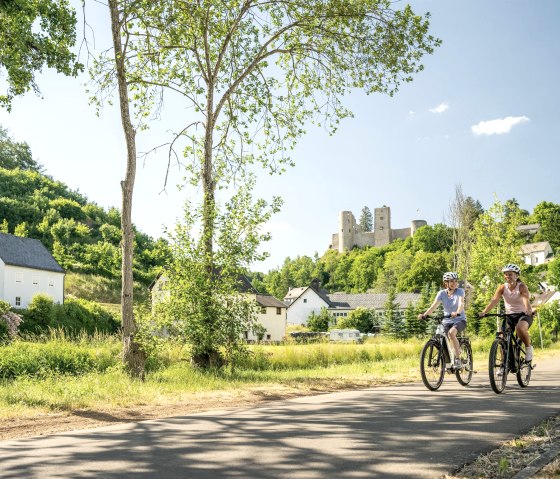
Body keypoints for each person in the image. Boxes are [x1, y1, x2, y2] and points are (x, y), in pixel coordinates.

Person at [479, 263, 534, 362]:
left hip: (523, 315)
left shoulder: (522, 287)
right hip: (509, 315)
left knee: (520, 328)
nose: (508, 276)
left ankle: (528, 348)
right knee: (502, 337)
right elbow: (494, 301)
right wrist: (484, 311)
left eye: (510, 274)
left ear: (516, 275)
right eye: (506, 274)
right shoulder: (502, 287)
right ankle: (503, 363)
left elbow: (526, 299)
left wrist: (529, 310)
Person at [418, 272, 466, 369]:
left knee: (452, 333)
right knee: (443, 338)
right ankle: (448, 361)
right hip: (446, 320)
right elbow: (433, 306)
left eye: (455, 281)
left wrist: (457, 312)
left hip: (459, 320)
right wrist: (424, 315)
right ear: (446, 283)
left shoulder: (460, 291)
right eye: (451, 281)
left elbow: (461, 303)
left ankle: (458, 359)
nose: (454, 283)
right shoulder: (441, 293)